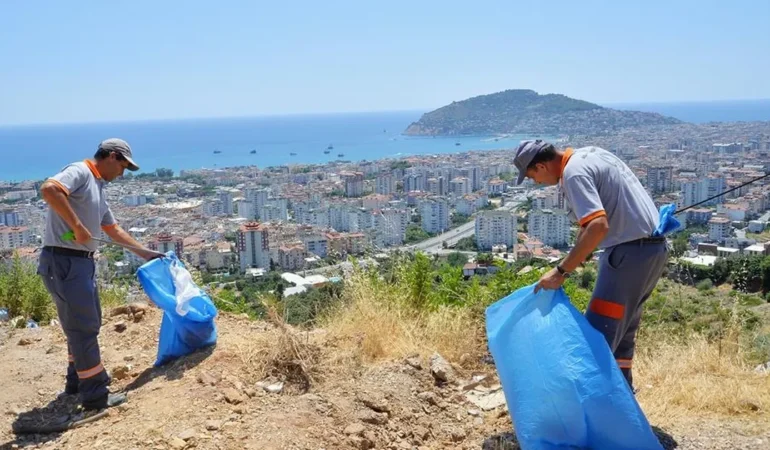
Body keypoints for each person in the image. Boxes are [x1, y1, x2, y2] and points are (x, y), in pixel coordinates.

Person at [514, 139, 668, 390]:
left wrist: (561, 271)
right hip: (652, 251)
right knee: (623, 336)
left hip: (627, 256)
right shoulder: (592, 154)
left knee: (596, 337)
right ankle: (622, 406)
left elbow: (598, 226)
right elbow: (592, 224)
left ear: (541, 166)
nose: (536, 183)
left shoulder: (573, 173)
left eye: (532, 177)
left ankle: (588, 413)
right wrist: (578, 253)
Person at [37, 138, 162, 412]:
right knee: (83, 328)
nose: (122, 173)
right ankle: (95, 396)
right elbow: (49, 189)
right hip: (64, 261)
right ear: (112, 156)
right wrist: (78, 227)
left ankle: (76, 383)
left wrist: (147, 254)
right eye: (123, 166)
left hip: (80, 263)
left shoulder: (98, 188)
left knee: (84, 325)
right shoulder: (81, 171)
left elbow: (113, 230)